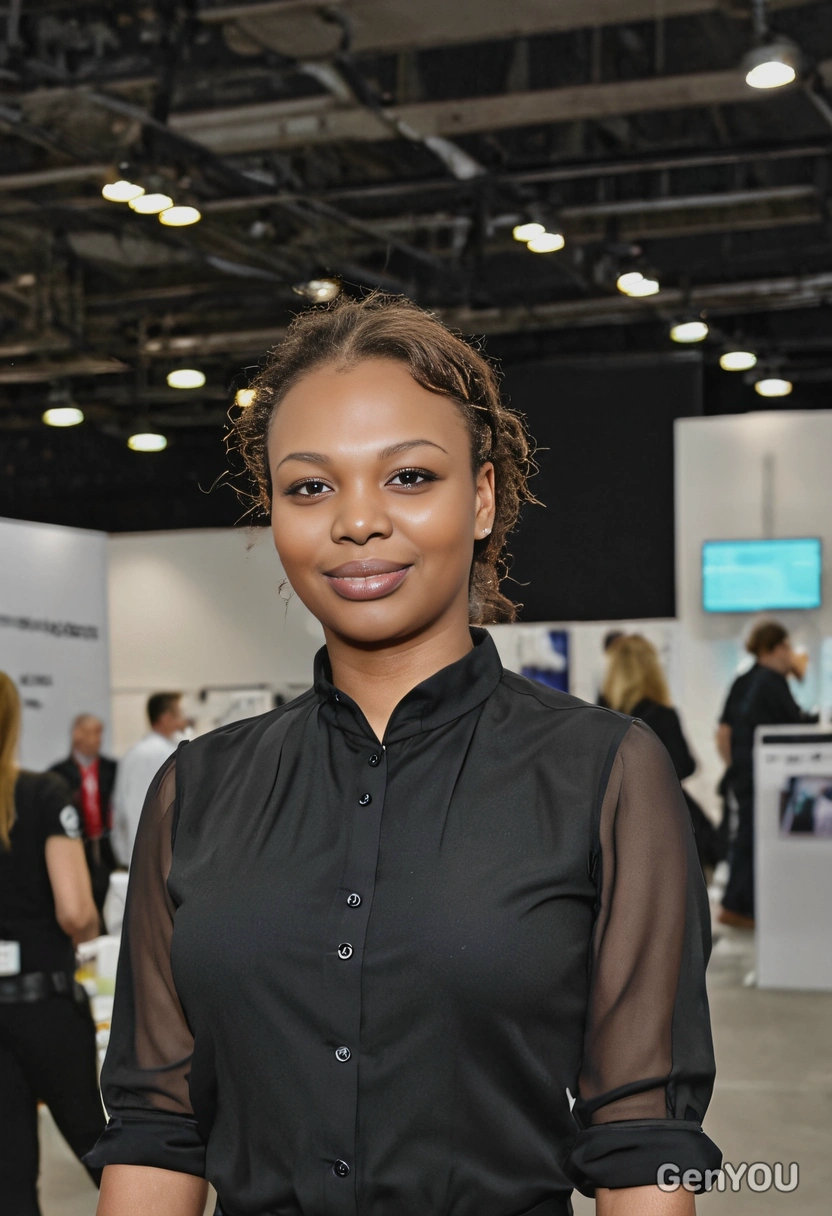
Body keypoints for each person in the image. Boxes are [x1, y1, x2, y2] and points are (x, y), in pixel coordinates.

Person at [88, 294, 721, 1216]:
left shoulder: (605, 775)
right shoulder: (200, 789)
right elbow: (157, 1125)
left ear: (484, 496)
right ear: (275, 514)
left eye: (409, 478)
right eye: (311, 487)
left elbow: (643, 1142)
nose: (356, 523)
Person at [0, 673, 106, 1215]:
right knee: (97, 1143)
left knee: (9, 1173)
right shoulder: (41, 794)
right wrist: (88, 934)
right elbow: (76, 912)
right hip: (44, 1002)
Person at [717, 620, 817, 929]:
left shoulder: (745, 680)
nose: (791, 653)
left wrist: (735, 767)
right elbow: (796, 726)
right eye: (787, 646)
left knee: (748, 837)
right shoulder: (771, 681)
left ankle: (740, 906)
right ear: (775, 648)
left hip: (746, 772)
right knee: (753, 839)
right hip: (761, 774)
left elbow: (724, 732)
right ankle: (739, 907)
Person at [601, 635, 720, 878]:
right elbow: (685, 766)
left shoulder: (599, 717)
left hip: (615, 822)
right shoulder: (663, 716)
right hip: (665, 821)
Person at [49, 713, 117, 926]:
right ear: (77, 735)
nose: (98, 739)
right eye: (93, 732)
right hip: (76, 845)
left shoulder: (112, 769)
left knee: (110, 900)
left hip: (106, 847)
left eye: (100, 733)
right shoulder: (58, 774)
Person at [110, 691, 187, 866]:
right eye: (179, 713)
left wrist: (124, 853)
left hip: (139, 854)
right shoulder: (167, 755)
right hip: (162, 856)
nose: (184, 718)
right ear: (166, 718)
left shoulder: (132, 753)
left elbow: (119, 809)